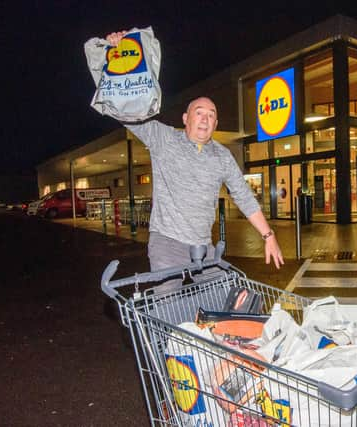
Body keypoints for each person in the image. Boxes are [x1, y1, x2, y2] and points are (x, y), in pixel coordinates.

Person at [103, 32, 284, 286]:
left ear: (216, 123)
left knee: (220, 299)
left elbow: (243, 195)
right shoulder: (163, 138)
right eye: (199, 113)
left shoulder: (222, 155)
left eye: (211, 115)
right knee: (170, 304)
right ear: (186, 119)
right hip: (167, 243)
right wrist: (117, 58)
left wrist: (268, 235)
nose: (205, 119)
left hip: (202, 246)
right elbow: (124, 111)